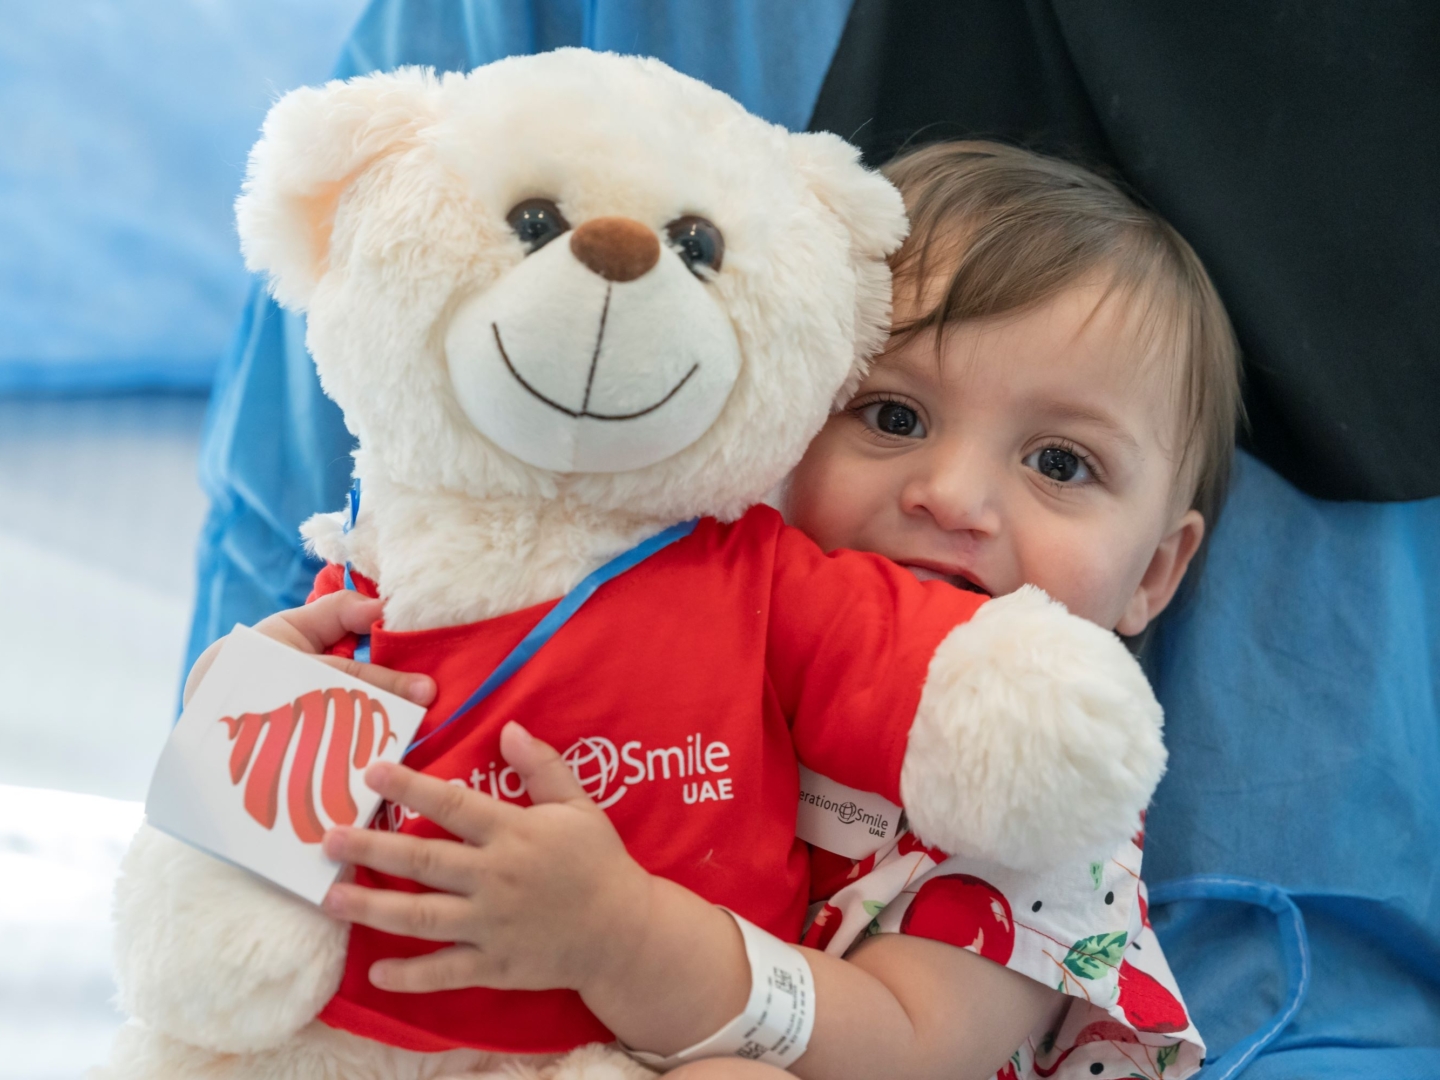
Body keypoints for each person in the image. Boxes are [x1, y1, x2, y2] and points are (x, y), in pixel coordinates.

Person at [184, 141, 1241, 1080]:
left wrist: (624, 936)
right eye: (892, 414)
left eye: (1061, 462)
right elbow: (451, 697)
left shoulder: (1048, 790)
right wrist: (269, 707)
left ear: (1156, 569)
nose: (952, 497)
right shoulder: (680, 605)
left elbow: (909, 1045)